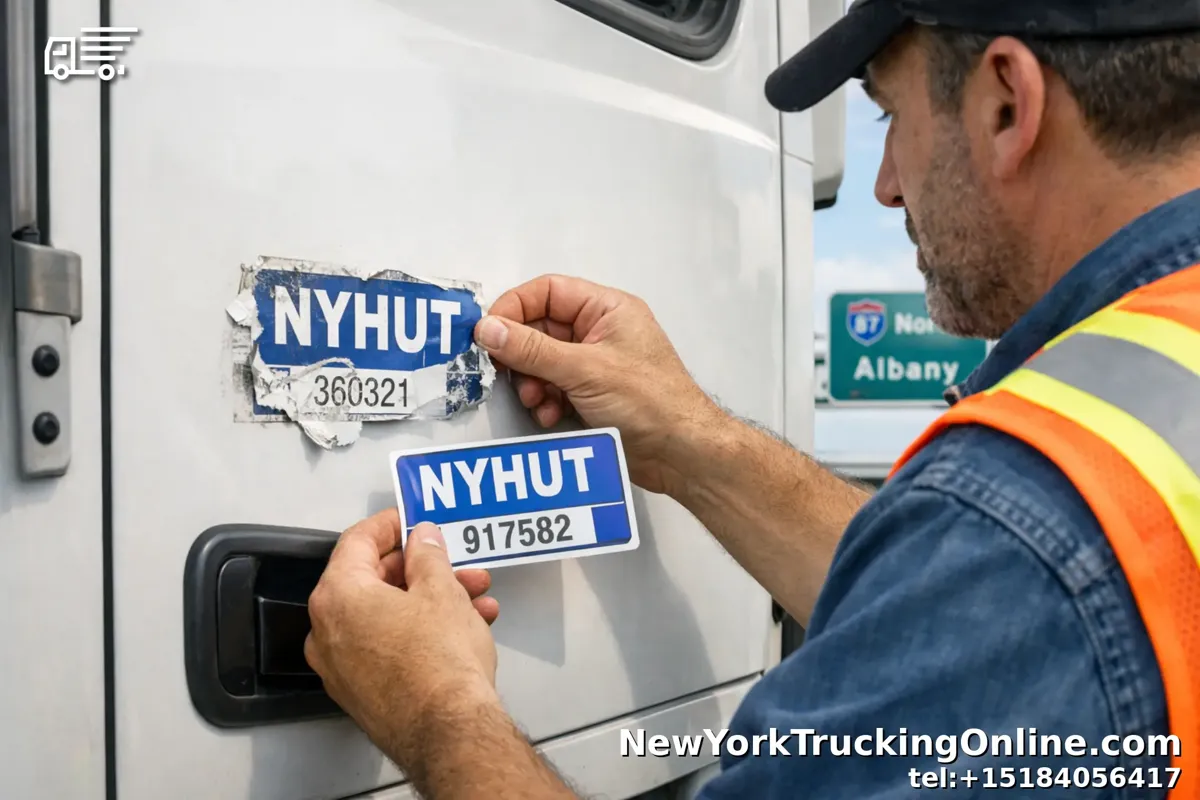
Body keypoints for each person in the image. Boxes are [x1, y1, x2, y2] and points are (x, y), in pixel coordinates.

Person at [303, 0, 1200, 796]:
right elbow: (976, 599)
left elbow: (1005, 578)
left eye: (889, 117)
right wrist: (690, 439)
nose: (886, 182)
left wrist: (437, 708)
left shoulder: (1023, 526)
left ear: (1008, 103)